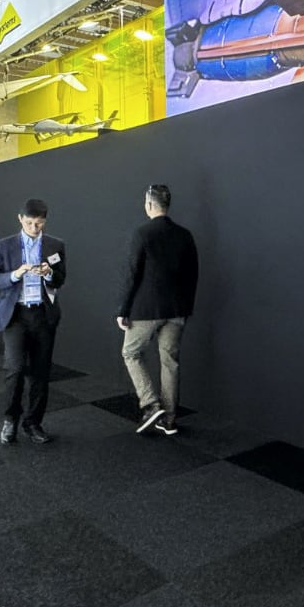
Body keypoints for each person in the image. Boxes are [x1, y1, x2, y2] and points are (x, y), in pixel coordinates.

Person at [117, 184, 199, 436]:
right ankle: (170, 420)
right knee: (170, 362)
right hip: (177, 310)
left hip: (146, 309)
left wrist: (123, 308)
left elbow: (132, 274)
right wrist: (185, 307)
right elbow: (193, 274)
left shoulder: (142, 233)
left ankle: (151, 405)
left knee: (130, 353)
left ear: (149, 204)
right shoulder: (185, 235)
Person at [0, 198, 67, 445]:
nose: (35, 228)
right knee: (15, 369)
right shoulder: (5, 245)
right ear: (20, 219)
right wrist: (16, 274)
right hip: (16, 315)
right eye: (31, 222)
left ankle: (33, 422)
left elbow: (60, 279)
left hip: (43, 314)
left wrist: (49, 274)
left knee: (41, 372)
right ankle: (10, 420)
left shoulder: (55, 244)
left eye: (40, 223)